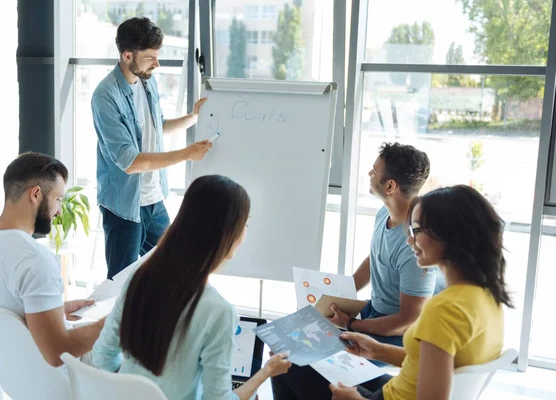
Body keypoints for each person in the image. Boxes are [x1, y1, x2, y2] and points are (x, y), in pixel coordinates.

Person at [92, 175, 291, 399]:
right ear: (229, 234)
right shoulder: (218, 310)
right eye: (245, 224)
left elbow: (102, 357)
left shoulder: (139, 278)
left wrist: (138, 388)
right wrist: (267, 371)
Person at [272, 142, 437, 398]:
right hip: (374, 311)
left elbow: (408, 321)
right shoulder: (385, 214)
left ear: (390, 186)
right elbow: (376, 257)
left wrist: (352, 324)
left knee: (296, 358)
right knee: (287, 342)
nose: (369, 175)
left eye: (374, 171)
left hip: (395, 332)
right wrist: (343, 292)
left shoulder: (413, 245)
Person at [328, 185, 510, 400]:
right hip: (401, 386)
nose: (409, 240)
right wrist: (377, 350)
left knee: (293, 364)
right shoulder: (487, 296)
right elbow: (436, 362)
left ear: (448, 234)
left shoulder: (444, 308)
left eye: (416, 231)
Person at [92, 17, 212, 279]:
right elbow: (130, 161)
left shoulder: (147, 81)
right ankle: (119, 322)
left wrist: (192, 117)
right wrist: (186, 154)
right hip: (124, 206)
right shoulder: (105, 97)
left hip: (154, 200)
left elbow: (157, 127)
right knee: (120, 282)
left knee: (175, 269)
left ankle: (157, 319)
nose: (156, 64)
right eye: (150, 57)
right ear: (127, 56)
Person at [0, 152, 104, 367]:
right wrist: (116, 322)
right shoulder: (35, 259)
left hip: (20, 375)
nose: (59, 211)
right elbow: (58, 353)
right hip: (66, 379)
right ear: (36, 194)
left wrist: (50, 311)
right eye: (58, 199)